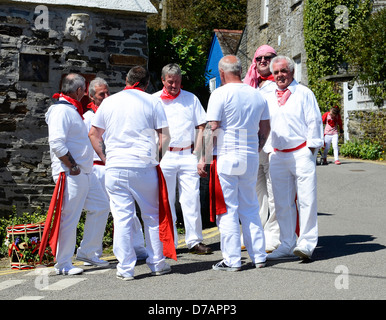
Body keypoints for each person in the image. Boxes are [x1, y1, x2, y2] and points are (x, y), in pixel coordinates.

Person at [89, 66, 174, 280]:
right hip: (144, 164)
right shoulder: (152, 101)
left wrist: (106, 158)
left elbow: (93, 133)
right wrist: (157, 158)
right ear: (146, 84)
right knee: (151, 216)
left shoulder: (109, 102)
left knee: (122, 218)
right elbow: (164, 136)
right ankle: (156, 263)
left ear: (126, 80)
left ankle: (125, 268)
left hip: (116, 166)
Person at [198, 55, 270, 271]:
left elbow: (213, 128)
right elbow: (265, 129)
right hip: (249, 154)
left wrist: (203, 158)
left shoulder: (220, 94)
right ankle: (259, 256)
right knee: (250, 206)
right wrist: (256, 148)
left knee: (228, 209)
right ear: (240, 70)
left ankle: (232, 259)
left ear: (221, 73)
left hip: (229, 155)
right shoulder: (257, 95)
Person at [45, 73, 110, 275]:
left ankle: (88, 252)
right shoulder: (61, 110)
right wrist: (72, 166)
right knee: (70, 217)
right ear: (80, 90)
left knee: (100, 206)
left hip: (83, 172)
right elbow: (56, 142)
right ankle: (63, 263)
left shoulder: (70, 110)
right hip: (71, 173)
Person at [265, 56, 324, 261]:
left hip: (301, 152)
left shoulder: (305, 93)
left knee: (307, 200)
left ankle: (306, 244)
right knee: (281, 203)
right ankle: (287, 244)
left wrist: (311, 150)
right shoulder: (268, 95)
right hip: (278, 154)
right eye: (276, 72)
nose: (280, 75)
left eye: (283, 71)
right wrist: (269, 149)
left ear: (291, 72)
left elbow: (314, 121)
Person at [84, 78, 148, 261]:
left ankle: (136, 246)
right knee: (104, 210)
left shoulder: (112, 112)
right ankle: (94, 251)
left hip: (115, 166)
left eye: (107, 93)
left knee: (128, 210)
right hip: (97, 169)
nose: (105, 97)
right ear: (91, 97)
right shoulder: (88, 117)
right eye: (101, 95)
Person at [153, 63, 212, 254]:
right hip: (165, 155)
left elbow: (202, 127)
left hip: (188, 154)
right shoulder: (154, 100)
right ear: (163, 80)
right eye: (170, 82)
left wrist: (201, 156)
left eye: (177, 82)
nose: (174, 85)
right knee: (165, 200)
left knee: (191, 198)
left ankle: (194, 241)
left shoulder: (191, 99)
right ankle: (168, 242)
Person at [244, 44, 280, 252]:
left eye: (269, 57)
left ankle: (273, 234)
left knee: (274, 191)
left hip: (273, 145)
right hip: (252, 145)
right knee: (255, 192)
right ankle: (255, 232)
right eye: (259, 58)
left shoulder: (281, 84)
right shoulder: (249, 84)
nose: (263, 61)